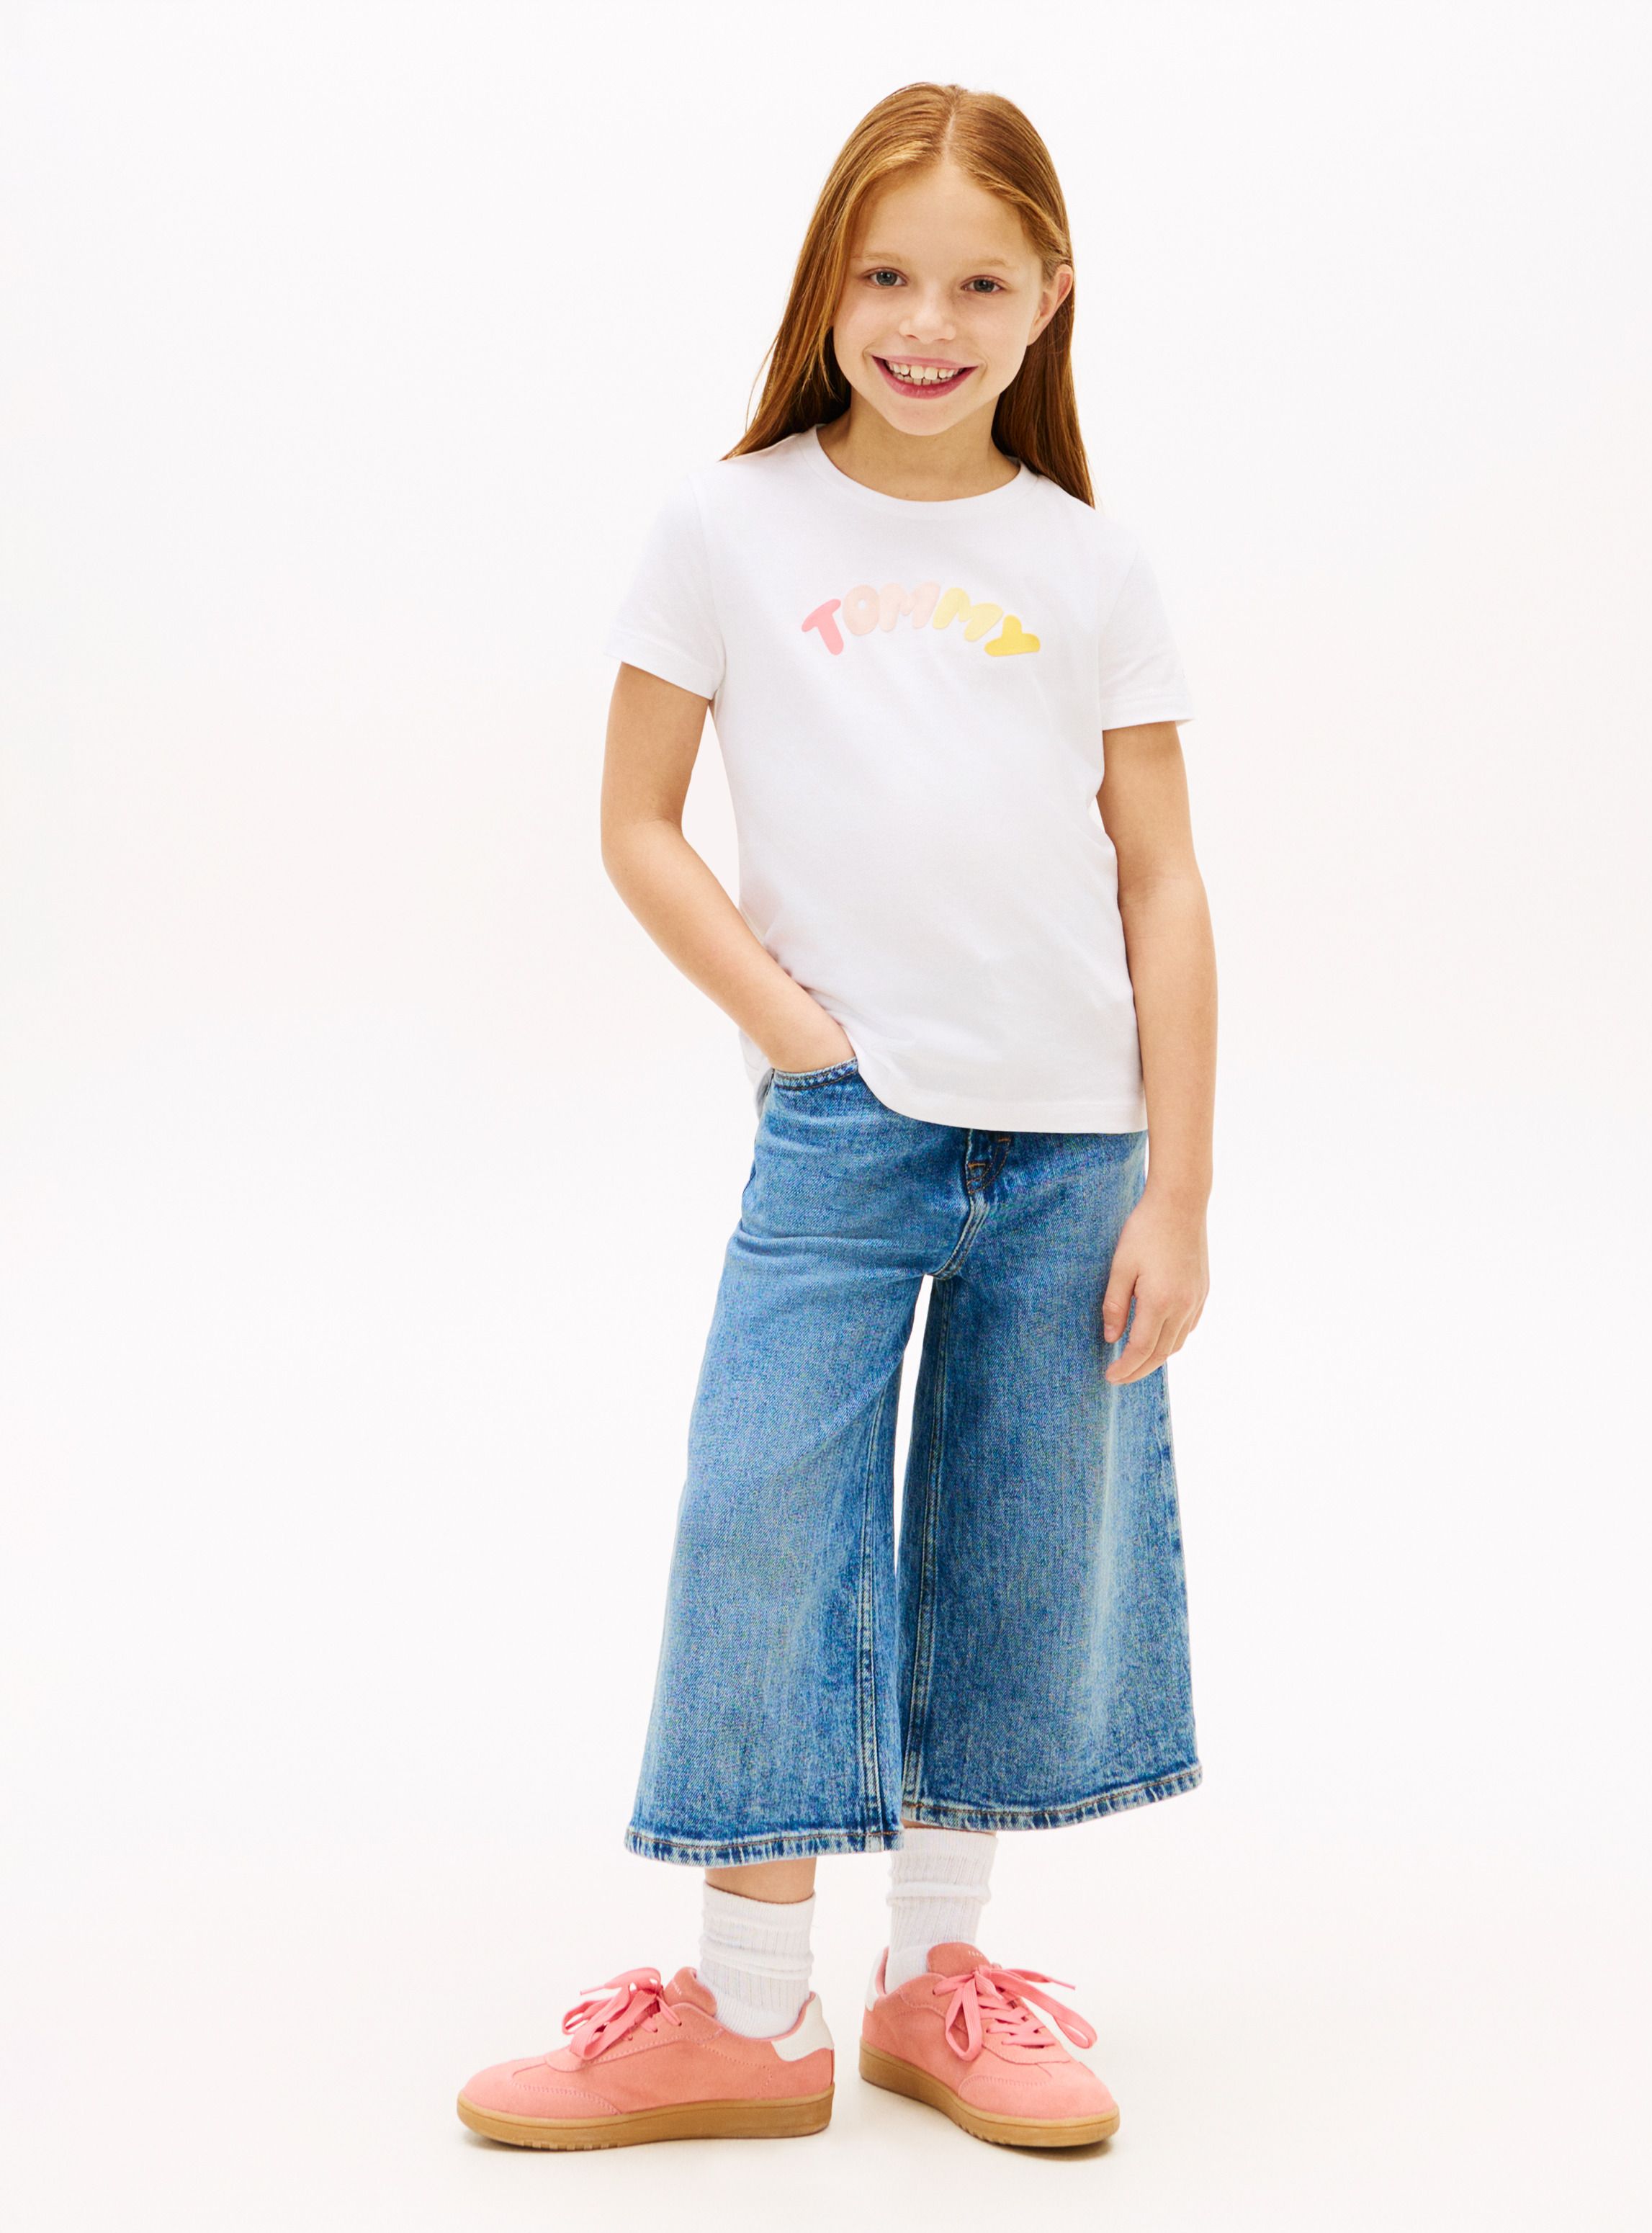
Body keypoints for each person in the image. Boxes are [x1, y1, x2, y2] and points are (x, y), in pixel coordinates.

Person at [457, 78, 1214, 2155]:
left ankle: (938, 1982)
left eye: (978, 283)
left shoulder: (1091, 564)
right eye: (885, 276)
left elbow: (1163, 879)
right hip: (844, 1131)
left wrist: (1182, 1187)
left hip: (1075, 1149)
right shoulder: (730, 526)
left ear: (1053, 296)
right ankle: (745, 2004)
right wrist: (801, 1036)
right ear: (825, 286)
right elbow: (635, 819)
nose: (926, 324)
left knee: (1016, 1539)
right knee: (766, 1519)